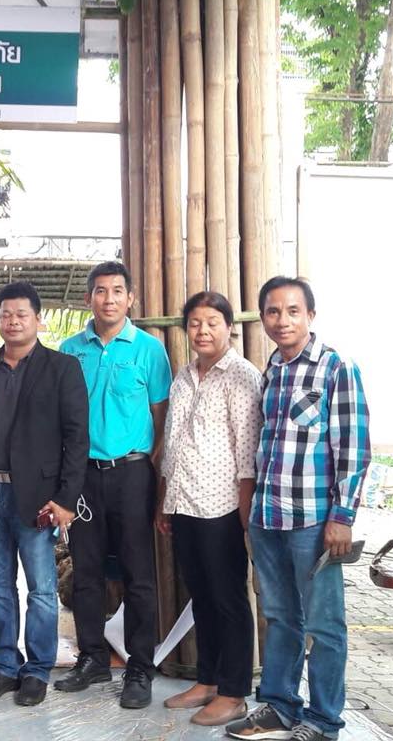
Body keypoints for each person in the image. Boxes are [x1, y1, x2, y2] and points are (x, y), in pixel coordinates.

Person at [227, 277, 371, 741]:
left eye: (292, 311)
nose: (282, 320)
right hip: (269, 518)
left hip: (314, 520)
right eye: (273, 311)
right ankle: (279, 706)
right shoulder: (272, 368)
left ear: (310, 315)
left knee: (325, 626)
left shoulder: (336, 367)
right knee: (281, 618)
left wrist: (342, 517)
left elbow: (354, 448)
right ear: (263, 318)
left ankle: (324, 721)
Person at [0, 281, 88, 706]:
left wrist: (66, 500)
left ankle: (37, 670)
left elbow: (77, 438)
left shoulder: (62, 368)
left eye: (21, 314)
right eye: (5, 314)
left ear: (38, 319)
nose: (13, 321)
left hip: (39, 497)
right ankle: (4, 665)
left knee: (40, 588)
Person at [56, 260, 171, 709]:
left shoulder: (149, 350)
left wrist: (149, 470)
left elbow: (162, 417)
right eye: (100, 291)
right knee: (85, 571)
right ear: (88, 298)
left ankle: (140, 667)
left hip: (132, 474)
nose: (109, 299)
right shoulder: (70, 350)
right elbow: (61, 418)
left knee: (138, 574)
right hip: (82, 474)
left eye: (117, 291)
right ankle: (92, 658)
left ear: (130, 298)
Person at [157, 291, 261, 726]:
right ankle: (209, 680)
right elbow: (173, 444)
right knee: (201, 597)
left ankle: (234, 692)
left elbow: (248, 451)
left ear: (229, 327)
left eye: (212, 322)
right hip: (184, 503)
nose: (202, 330)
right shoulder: (183, 376)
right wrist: (164, 502)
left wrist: (245, 514)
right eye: (195, 323)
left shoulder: (241, 376)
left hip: (222, 507)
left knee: (228, 599)